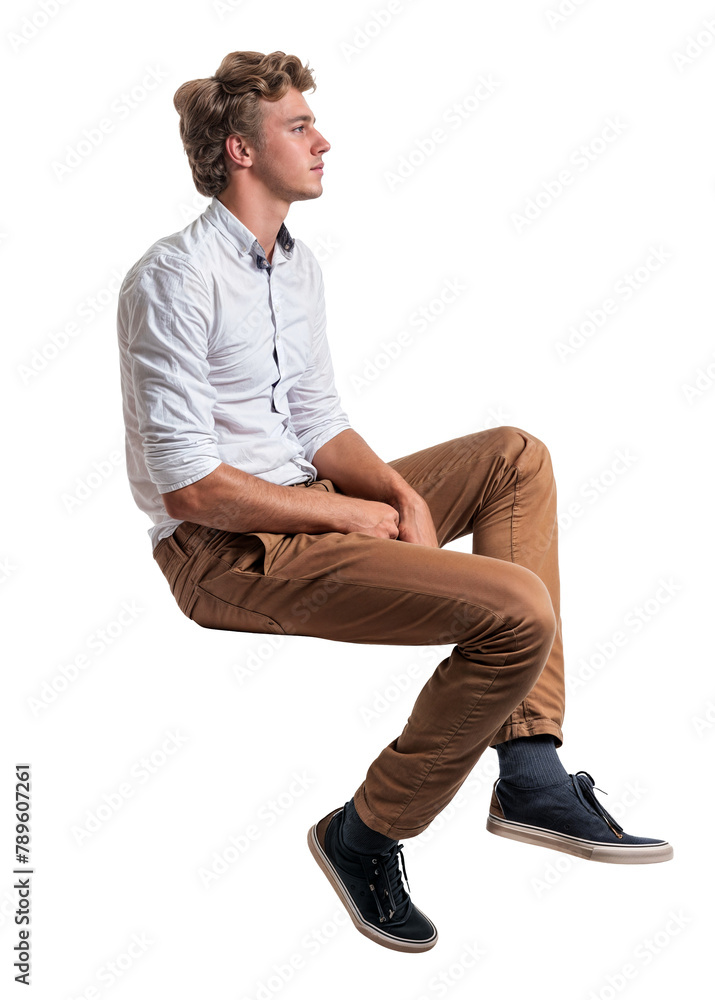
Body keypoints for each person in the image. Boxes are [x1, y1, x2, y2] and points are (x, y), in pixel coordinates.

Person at [116, 49, 673, 954]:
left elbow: (316, 418)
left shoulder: (291, 266)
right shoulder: (172, 278)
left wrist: (396, 491)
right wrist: (348, 515)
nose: (322, 140)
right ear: (241, 151)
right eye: (299, 126)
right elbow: (190, 484)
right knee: (515, 611)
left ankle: (529, 768)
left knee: (514, 458)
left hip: (303, 499)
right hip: (223, 555)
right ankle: (363, 833)